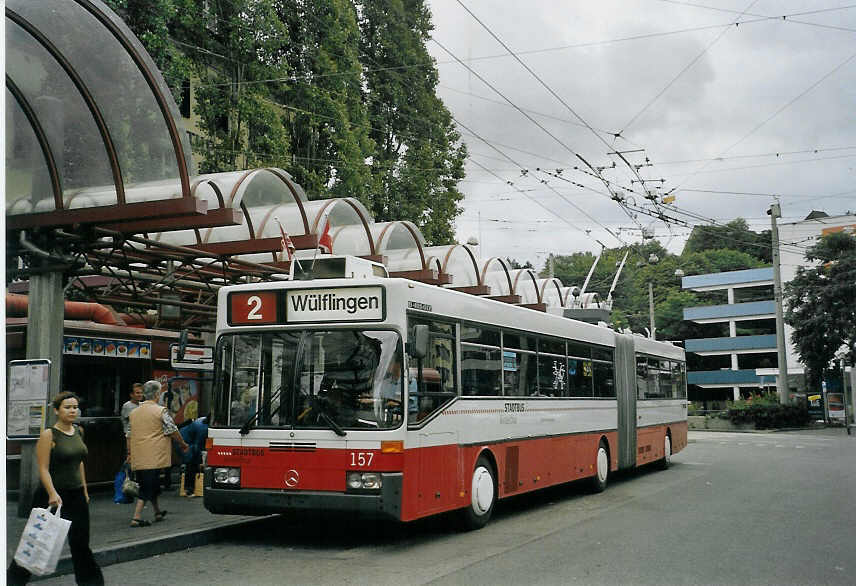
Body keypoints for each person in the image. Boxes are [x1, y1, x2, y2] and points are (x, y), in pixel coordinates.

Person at [7, 392, 104, 585]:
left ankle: (91, 582)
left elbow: (79, 463)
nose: (72, 411)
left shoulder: (79, 431)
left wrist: (84, 490)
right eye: (67, 407)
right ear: (57, 410)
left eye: (75, 407)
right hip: (51, 495)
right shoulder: (49, 434)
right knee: (35, 541)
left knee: (80, 543)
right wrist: (52, 493)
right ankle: (13, 581)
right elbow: (42, 468)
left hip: (76, 495)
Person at [128, 380, 188, 527]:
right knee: (147, 486)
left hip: (139, 454)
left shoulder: (134, 413)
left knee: (151, 483)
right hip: (154, 455)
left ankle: (157, 512)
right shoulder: (160, 411)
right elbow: (172, 429)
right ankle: (136, 517)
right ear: (157, 394)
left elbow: (128, 434)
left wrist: (129, 452)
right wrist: (183, 444)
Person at [179, 414, 209, 497]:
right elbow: (197, 446)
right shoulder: (203, 429)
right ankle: (189, 489)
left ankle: (190, 488)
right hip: (185, 441)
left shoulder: (203, 420)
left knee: (192, 463)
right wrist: (201, 460)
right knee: (191, 464)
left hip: (186, 439)